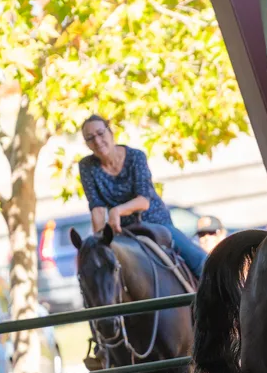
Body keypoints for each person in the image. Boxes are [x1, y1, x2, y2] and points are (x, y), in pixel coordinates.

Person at [77, 114, 208, 279]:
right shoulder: (86, 166)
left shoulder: (135, 157)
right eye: (90, 138)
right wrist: (99, 241)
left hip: (154, 221)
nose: (97, 140)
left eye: (100, 133)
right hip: (122, 231)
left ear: (111, 133)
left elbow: (144, 201)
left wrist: (116, 211)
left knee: (201, 260)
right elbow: (96, 207)